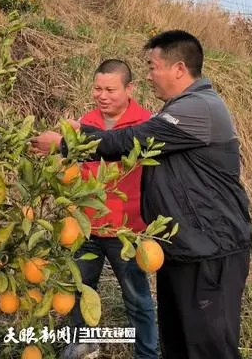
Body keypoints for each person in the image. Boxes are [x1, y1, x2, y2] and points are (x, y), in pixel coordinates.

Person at [31, 30, 252, 359]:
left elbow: (132, 140)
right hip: (183, 247)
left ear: (178, 68)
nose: (149, 76)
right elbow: (128, 137)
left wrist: (66, 144)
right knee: (178, 343)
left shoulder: (198, 108)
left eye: (152, 67)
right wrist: (84, 132)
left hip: (210, 251)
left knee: (208, 347)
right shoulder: (179, 109)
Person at [61, 59, 158, 359]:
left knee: (137, 298)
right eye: (97, 88)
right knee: (81, 289)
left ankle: (147, 352)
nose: (102, 95)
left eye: (110, 89)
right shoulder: (85, 123)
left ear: (129, 88)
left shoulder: (146, 123)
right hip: (87, 226)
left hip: (127, 230)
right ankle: (82, 345)